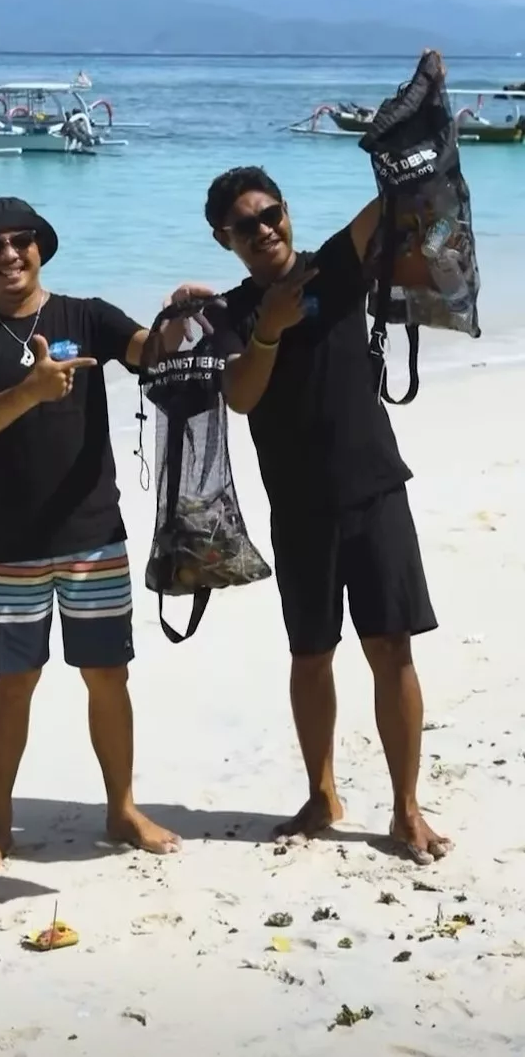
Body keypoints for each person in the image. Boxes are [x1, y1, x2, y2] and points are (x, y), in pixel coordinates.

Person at [163, 146, 451, 865]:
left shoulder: (334, 269)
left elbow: (395, 201)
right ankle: (322, 793)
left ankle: (406, 808)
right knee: (311, 653)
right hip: (298, 508)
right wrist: (270, 327)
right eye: (243, 225)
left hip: (374, 486)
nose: (263, 229)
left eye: (270, 213)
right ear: (223, 239)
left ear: (286, 212)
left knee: (392, 648)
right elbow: (240, 395)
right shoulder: (229, 314)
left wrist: (417, 119)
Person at [0, 195, 180, 875]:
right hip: (9, 541)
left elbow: (150, 352)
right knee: (14, 681)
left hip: (92, 531)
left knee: (108, 676)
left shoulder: (86, 316)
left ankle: (123, 808)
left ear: (40, 246)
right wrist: (31, 391)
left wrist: (184, 315)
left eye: (21, 241)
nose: (9, 253)